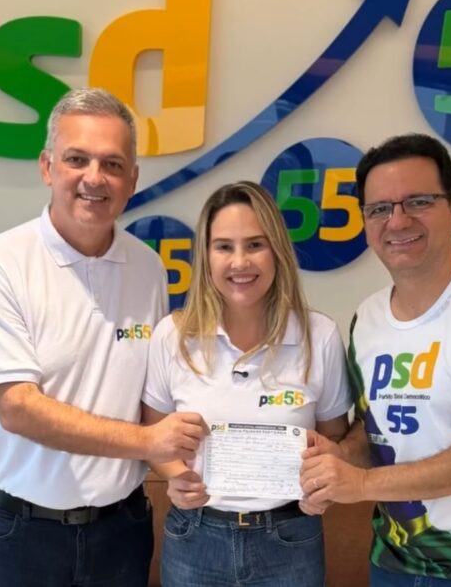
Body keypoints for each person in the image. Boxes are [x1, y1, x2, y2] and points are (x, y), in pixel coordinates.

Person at [0, 87, 205, 587]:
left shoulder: (149, 269)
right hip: (19, 532)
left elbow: (151, 398)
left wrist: (180, 470)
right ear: (47, 167)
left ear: (132, 180)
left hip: (121, 528)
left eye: (113, 164)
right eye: (77, 159)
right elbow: (17, 407)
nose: (95, 177)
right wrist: (148, 441)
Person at [300, 134, 451, 587]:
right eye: (379, 208)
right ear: (365, 223)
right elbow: (373, 431)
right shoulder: (367, 318)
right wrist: (339, 457)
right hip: (393, 559)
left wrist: (360, 485)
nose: (397, 220)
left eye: (417, 201)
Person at [142, 180, 352, 587]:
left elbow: (334, 440)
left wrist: (322, 482)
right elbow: (152, 437)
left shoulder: (319, 336)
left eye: (255, 244)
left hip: (290, 537)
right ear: (205, 256)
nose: (240, 262)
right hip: (195, 536)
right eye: (224, 246)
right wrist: (174, 475)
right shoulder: (173, 335)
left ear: (277, 251)